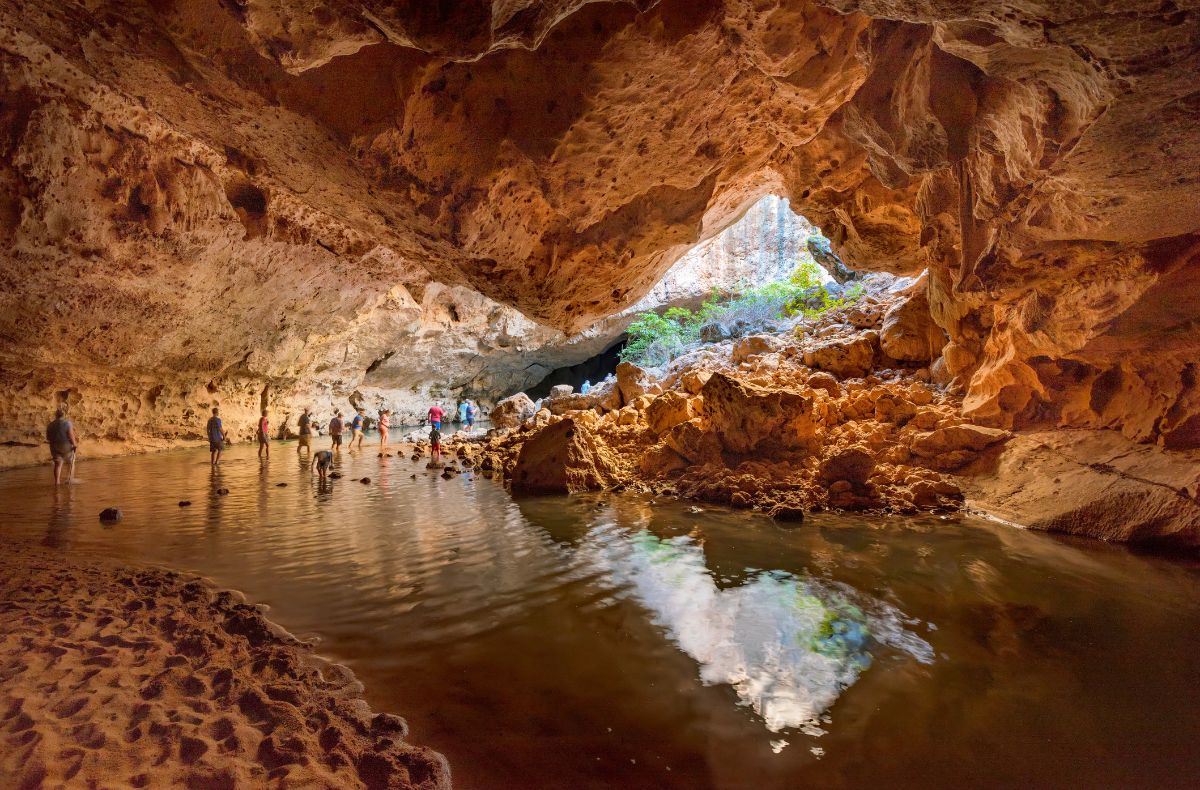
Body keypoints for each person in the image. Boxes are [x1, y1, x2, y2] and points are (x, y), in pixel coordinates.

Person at [46, 408, 77, 485]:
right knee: (70, 462)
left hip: (53, 446)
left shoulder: (50, 425)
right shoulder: (67, 423)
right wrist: (74, 444)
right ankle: (70, 480)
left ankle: (57, 482)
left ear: (56, 415)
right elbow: (70, 434)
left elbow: (48, 437)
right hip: (65, 445)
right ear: (64, 415)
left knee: (58, 464)